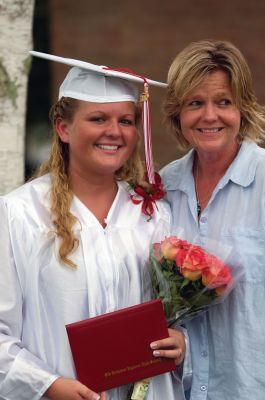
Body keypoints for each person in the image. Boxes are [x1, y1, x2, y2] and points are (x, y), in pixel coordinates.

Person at [0, 53, 188, 400]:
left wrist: (180, 341)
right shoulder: (19, 214)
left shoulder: (153, 214)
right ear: (64, 128)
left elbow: (176, 317)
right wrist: (48, 385)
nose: (114, 132)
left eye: (126, 121)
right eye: (98, 118)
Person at [161, 39, 265, 400]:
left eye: (223, 102)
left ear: (243, 108)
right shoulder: (162, 190)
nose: (209, 116)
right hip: (179, 389)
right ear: (178, 114)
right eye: (195, 103)